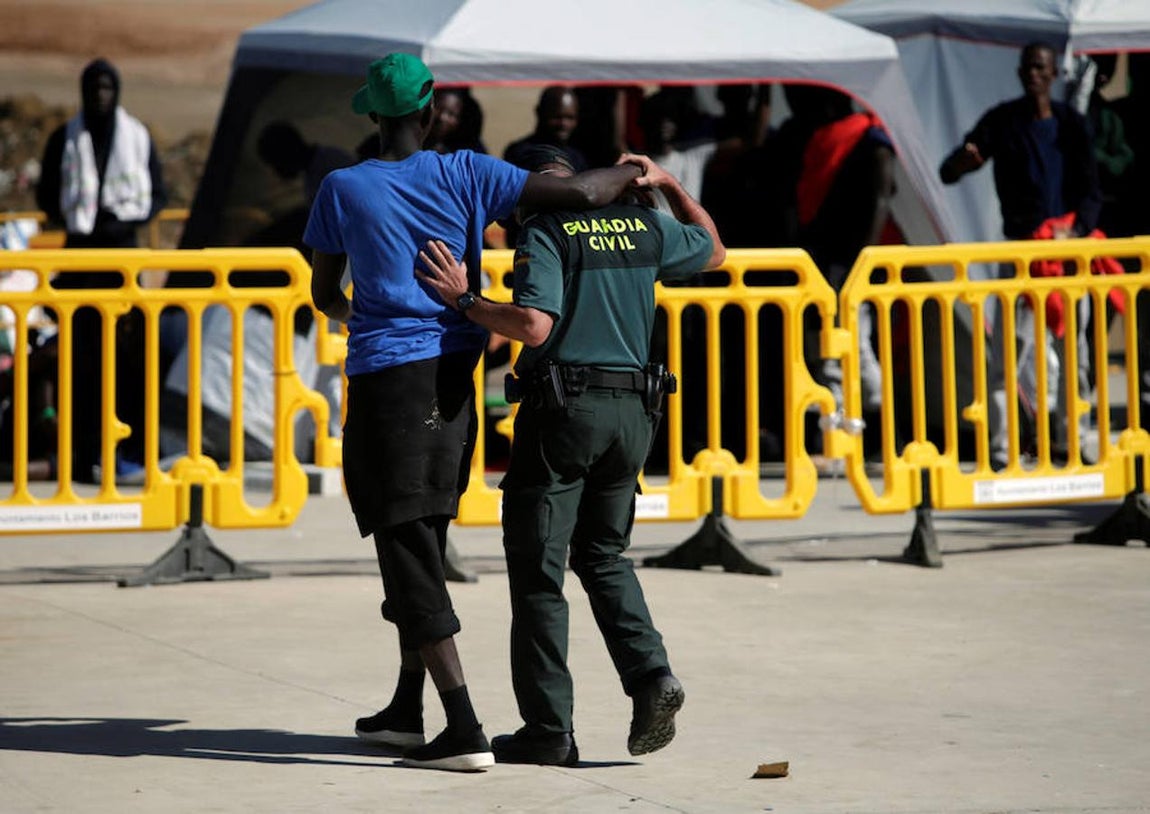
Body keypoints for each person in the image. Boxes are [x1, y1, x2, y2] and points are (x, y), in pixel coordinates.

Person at [302, 53, 645, 773]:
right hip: (455, 383)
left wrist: (363, 317)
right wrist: (637, 172)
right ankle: (407, 707)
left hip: (388, 386)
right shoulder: (467, 172)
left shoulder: (342, 187)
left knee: (405, 547)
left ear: (373, 115)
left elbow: (324, 292)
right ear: (428, 113)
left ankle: (461, 725)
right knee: (421, 539)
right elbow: (579, 194)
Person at [416, 145, 725, 766]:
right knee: (604, 554)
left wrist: (463, 300)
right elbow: (714, 249)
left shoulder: (547, 231)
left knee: (538, 570)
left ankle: (548, 729)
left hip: (566, 414)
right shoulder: (642, 224)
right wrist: (666, 184)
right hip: (635, 416)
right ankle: (651, 676)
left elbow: (534, 325)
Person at [940, 42, 1102, 470]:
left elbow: (1091, 191)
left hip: (1067, 259)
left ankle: (1071, 441)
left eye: (1041, 68)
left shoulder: (1071, 124)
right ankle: (1000, 448)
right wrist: (963, 162)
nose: (1034, 75)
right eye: (1028, 68)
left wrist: (1075, 230)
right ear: (1019, 73)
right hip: (1020, 257)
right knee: (1009, 354)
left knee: (1075, 355)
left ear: (1053, 75)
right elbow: (951, 168)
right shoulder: (1004, 121)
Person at [36, 57, 168, 482]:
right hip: (78, 265)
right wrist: (81, 220)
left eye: (107, 88)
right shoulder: (64, 139)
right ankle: (79, 450)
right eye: (93, 88)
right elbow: (46, 196)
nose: (100, 96)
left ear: (118, 92)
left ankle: (126, 449)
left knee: (126, 361)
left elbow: (157, 194)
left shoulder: (138, 137)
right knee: (79, 363)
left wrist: (124, 221)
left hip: (122, 267)